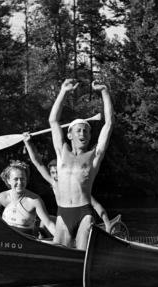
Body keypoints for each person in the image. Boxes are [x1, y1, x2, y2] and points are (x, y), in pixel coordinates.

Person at [48, 79, 113, 250]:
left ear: (90, 136)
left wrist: (104, 92)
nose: (82, 133)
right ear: (69, 135)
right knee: (60, 258)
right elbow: (53, 121)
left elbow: (109, 123)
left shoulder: (94, 156)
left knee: (81, 256)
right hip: (63, 213)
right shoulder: (61, 153)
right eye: (78, 130)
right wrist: (63, 92)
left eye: (86, 131)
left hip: (84, 213)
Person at [22, 135, 110, 236]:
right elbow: (38, 163)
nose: (55, 176)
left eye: (57, 172)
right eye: (52, 172)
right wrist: (28, 143)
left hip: (82, 217)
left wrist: (107, 225)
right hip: (64, 218)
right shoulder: (53, 183)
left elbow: (97, 206)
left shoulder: (76, 186)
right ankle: (44, 238)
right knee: (45, 220)